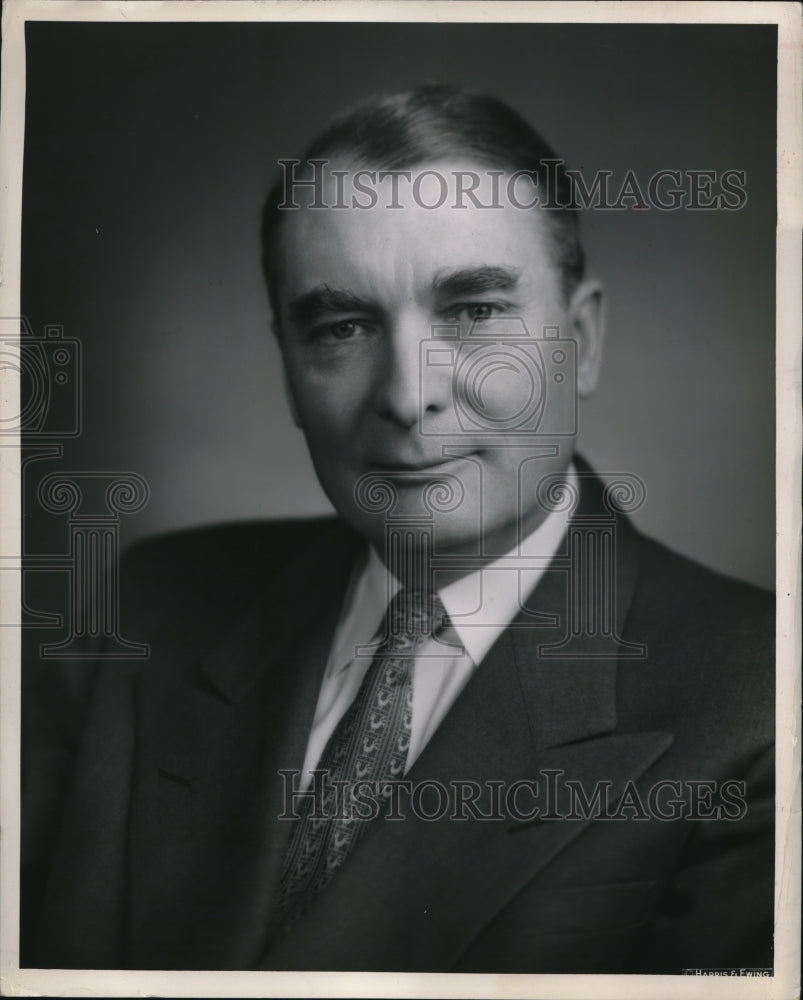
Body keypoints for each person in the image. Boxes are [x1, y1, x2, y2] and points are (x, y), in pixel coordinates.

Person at [21, 85, 774, 974]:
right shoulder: (142, 616)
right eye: (341, 326)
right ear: (288, 367)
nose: (406, 394)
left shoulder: (761, 697)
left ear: (580, 342)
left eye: (473, 312)